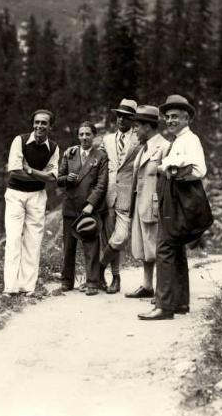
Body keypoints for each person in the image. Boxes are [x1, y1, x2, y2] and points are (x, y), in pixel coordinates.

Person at [138, 95, 207, 320]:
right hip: (173, 197)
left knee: (165, 248)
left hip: (180, 198)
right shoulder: (178, 140)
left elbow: (199, 170)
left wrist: (172, 170)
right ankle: (179, 302)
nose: (170, 121)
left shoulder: (190, 140)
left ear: (187, 118)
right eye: (167, 117)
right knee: (176, 248)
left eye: (175, 116)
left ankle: (164, 306)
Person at [3, 109, 59, 295]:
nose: (39, 126)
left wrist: (30, 171)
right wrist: (39, 175)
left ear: (50, 126)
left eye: (44, 123)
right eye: (37, 122)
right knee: (13, 239)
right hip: (15, 195)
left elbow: (52, 178)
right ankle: (10, 287)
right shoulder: (19, 141)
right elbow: (14, 171)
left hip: (37, 196)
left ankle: (28, 287)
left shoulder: (53, 147)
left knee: (33, 241)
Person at [58, 122, 109, 295]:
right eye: (81, 134)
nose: (84, 137)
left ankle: (93, 282)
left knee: (91, 246)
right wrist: (67, 179)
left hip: (89, 208)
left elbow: (101, 184)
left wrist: (91, 204)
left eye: (88, 134)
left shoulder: (100, 156)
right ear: (78, 136)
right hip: (70, 205)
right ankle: (66, 281)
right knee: (68, 246)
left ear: (94, 136)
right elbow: (59, 178)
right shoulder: (70, 153)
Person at [126, 105, 170, 299]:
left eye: (137, 126)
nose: (134, 130)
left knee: (156, 247)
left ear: (148, 126)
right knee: (144, 246)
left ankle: (162, 290)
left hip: (155, 206)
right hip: (140, 203)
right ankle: (147, 285)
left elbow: (169, 180)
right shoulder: (144, 148)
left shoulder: (165, 147)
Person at [98, 98, 142, 294]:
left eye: (126, 117)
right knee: (108, 236)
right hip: (108, 194)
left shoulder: (140, 139)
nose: (121, 120)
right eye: (119, 116)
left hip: (128, 196)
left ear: (133, 120)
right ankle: (115, 278)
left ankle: (98, 268)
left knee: (120, 237)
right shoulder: (107, 140)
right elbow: (96, 160)